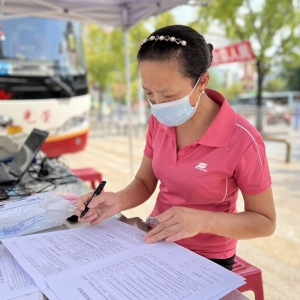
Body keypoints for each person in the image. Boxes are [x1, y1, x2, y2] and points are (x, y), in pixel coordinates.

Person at [75, 25, 276, 271]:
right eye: (149, 94)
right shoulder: (159, 121)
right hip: (156, 239)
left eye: (169, 96)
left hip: (208, 256)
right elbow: (145, 182)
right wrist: (117, 201)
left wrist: (202, 221)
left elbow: (265, 222)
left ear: (202, 81)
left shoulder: (243, 139)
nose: (158, 106)